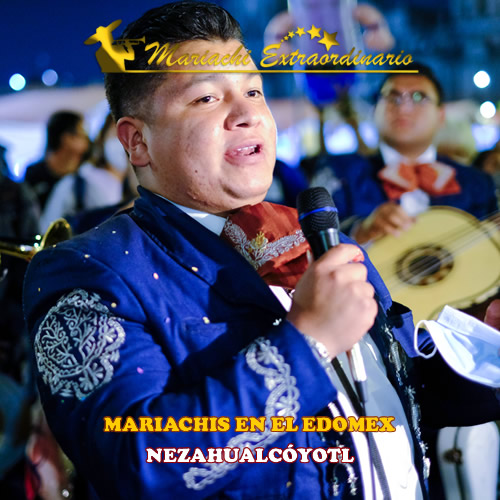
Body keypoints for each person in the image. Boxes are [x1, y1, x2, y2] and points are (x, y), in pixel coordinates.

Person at [23, 3, 499, 499]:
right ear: (137, 142)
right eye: (207, 98)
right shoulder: (86, 273)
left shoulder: (319, 236)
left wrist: (487, 351)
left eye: (253, 90)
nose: (249, 113)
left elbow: (389, 393)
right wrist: (309, 343)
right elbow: (137, 461)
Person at [310, 63, 498, 244]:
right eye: (393, 97)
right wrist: (359, 231)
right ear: (375, 109)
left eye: (418, 97)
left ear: (440, 116)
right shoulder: (341, 173)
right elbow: (308, 240)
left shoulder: (476, 184)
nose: (404, 108)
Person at [39, 113, 134, 232]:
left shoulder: (127, 186)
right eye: (118, 134)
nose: (125, 142)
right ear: (103, 137)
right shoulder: (87, 178)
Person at [24, 111, 89, 211]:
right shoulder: (33, 174)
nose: (86, 144)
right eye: (81, 136)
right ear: (66, 138)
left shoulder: (83, 177)